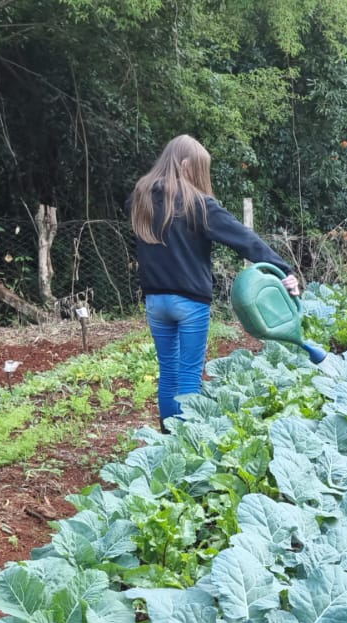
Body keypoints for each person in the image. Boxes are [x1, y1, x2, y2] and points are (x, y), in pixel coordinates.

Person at [128, 134, 300, 429]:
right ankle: (186, 441)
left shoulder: (139, 198)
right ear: (184, 165)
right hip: (189, 302)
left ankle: (169, 436)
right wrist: (283, 270)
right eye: (198, 170)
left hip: (156, 301)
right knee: (189, 374)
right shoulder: (197, 204)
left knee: (168, 371)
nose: (200, 177)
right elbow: (244, 239)